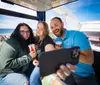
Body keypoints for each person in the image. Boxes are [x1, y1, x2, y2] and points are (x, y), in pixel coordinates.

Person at [50, 17, 99, 85]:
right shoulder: (57, 40)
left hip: (84, 75)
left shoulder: (78, 35)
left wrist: (65, 51)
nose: (54, 29)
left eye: (56, 25)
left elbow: (89, 60)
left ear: (62, 24)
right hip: (67, 72)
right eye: (52, 27)